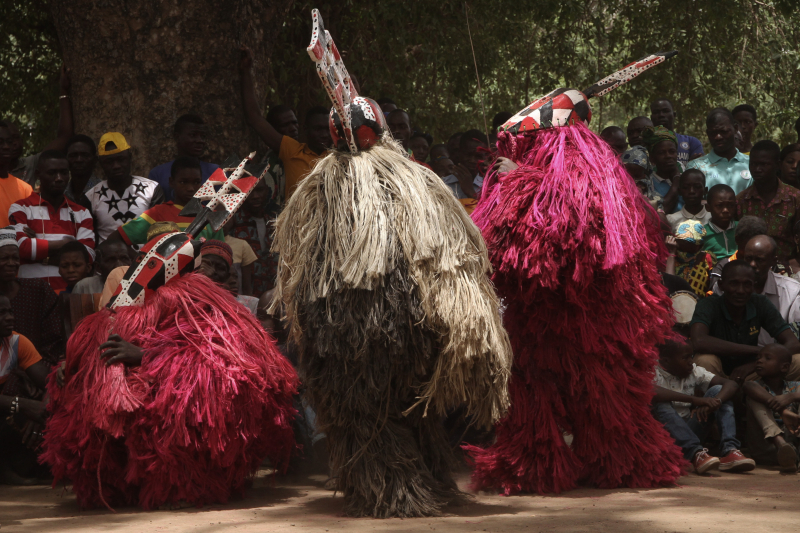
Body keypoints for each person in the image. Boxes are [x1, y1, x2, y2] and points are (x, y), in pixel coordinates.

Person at [272, 89, 511, 516]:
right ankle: (421, 483)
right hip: (410, 316)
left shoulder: (320, 181)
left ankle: (390, 489)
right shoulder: (417, 178)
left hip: (343, 323)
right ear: (381, 129)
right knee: (411, 406)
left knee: (361, 411)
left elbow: (300, 257)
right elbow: (455, 250)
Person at [467, 68, 684, 497]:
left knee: (588, 396)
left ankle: (596, 464)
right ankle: (555, 464)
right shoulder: (596, 169)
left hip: (581, 316)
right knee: (549, 392)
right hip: (556, 315)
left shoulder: (579, 170)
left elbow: (561, 235)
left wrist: (515, 183)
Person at [42, 227, 298, 509]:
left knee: (179, 397)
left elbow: (226, 361)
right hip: (132, 382)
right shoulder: (132, 297)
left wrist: (147, 357)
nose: (211, 271)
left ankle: (184, 484)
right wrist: (75, 363)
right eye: (145, 260)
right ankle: (121, 482)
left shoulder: (208, 303)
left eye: (220, 269)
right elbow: (100, 334)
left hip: (189, 394)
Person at [239, 46, 330, 201]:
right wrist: (245, 72)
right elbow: (254, 118)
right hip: (297, 224)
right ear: (306, 130)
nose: (324, 134)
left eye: (328, 129)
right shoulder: (292, 150)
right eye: (318, 129)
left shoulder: (337, 157)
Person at [652, 339, 752, 473]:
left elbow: (730, 384)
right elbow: (652, 391)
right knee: (660, 403)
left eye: (691, 356)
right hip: (666, 437)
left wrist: (714, 403)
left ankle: (730, 451)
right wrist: (696, 400)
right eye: (685, 358)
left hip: (690, 429)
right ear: (665, 361)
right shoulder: (653, 372)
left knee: (718, 390)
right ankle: (696, 454)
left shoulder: (693, 371)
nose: (691, 362)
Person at [691, 260, 800, 383]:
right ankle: (714, 399)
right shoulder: (709, 304)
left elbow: (793, 343)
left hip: (752, 372)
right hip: (717, 373)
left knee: (797, 361)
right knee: (705, 360)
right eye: (734, 284)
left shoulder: (760, 303)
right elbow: (699, 341)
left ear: (754, 286)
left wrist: (755, 364)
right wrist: (758, 351)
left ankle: (777, 397)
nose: (741, 290)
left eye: (747, 285)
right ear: (721, 285)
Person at [9, 150, 95, 293]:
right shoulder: (20, 207)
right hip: (30, 293)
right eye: (52, 173)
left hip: (70, 295)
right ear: (38, 174)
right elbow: (21, 247)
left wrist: (39, 252)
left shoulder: (82, 212)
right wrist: (67, 244)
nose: (59, 178)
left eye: (64, 172)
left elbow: (88, 256)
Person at [110, 156, 224, 248]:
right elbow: (116, 238)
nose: (190, 188)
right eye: (183, 182)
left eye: (196, 182)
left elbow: (220, 252)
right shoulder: (157, 214)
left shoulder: (210, 216)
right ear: (171, 182)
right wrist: (135, 259)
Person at [0, 296, 51, 484]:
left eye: (10, 311)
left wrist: (41, 410)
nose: (9, 318)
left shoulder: (16, 342)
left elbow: (50, 383)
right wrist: (24, 405)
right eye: (1, 313)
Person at [82, 132, 165, 243]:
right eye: (109, 162)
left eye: (121, 159)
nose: (116, 166)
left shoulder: (152, 189)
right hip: (109, 258)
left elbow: (160, 231)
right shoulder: (91, 197)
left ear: (130, 158)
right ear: (100, 163)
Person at [0, 228, 62, 372]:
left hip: (40, 369)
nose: (11, 263)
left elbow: (54, 339)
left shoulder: (39, 289)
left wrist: (37, 372)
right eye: (4, 258)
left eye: (15, 258)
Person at [6, 65, 75, 186]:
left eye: (17, 138)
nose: (15, 144)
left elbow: (65, 137)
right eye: (8, 140)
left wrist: (64, 92)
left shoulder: (31, 164)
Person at [737, 140, 800, 262]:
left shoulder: (795, 198)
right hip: (751, 269)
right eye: (753, 164)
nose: (757, 169)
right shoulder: (741, 200)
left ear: (777, 165)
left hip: (787, 269)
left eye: (763, 164)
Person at [742, 344, 800, 470]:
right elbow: (747, 386)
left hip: (795, 443)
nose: (760, 360)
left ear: (784, 367)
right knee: (754, 398)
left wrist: (792, 397)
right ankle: (780, 444)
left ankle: (791, 458)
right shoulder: (754, 386)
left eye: (767, 358)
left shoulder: (794, 387)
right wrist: (782, 410)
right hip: (766, 448)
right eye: (758, 357)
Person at [146, 114, 220, 202]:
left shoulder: (215, 172)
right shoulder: (158, 174)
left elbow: (222, 208)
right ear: (177, 137)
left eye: (203, 136)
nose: (200, 140)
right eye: (193, 135)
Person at [229, 179, 278, 298]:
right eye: (249, 191)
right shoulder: (233, 223)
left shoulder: (275, 223)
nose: (255, 196)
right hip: (244, 298)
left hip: (273, 297)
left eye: (260, 190)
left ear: (267, 191)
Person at [687, 108, 752, 195]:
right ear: (707, 133)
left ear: (735, 128)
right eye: (713, 133)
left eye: (723, 131)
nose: (718, 137)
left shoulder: (751, 164)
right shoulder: (696, 167)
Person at [708, 215, 769, 291]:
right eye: (748, 246)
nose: (753, 250)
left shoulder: (767, 266)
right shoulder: (723, 267)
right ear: (737, 240)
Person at [641, 125, 683, 213]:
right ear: (652, 158)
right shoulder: (648, 184)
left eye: (672, 151)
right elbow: (662, 210)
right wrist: (676, 181)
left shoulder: (687, 178)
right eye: (661, 153)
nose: (668, 156)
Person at [649, 99, 704, 164]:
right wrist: (689, 165)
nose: (661, 115)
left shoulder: (692, 142)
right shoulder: (646, 144)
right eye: (656, 112)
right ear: (651, 117)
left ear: (674, 115)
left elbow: (699, 168)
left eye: (665, 111)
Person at [0, 121, 33, 227]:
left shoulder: (25, 190)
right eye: (0, 142)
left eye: (9, 142)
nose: (6, 147)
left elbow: (32, 228)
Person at [702, 184, 738, 261]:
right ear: (708, 207)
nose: (725, 210)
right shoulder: (702, 234)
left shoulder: (742, 228)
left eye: (730, 205)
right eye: (719, 206)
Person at [223, 220, 257, 297]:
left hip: (237, 301)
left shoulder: (241, 245)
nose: (222, 222)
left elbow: (247, 285)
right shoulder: (202, 243)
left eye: (226, 218)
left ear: (231, 221)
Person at [64, 135, 101, 202]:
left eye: (85, 155)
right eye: (73, 156)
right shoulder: (61, 193)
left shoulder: (104, 192)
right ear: (65, 160)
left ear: (95, 160)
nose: (79, 160)